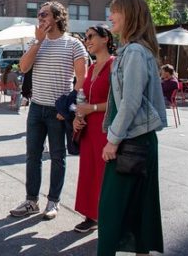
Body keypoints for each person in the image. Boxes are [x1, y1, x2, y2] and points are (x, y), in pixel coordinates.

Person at [98, 0, 167, 256]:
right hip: (139, 139)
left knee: (110, 209)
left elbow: (130, 101)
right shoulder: (133, 50)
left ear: (130, 16)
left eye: (115, 11)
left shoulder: (135, 52)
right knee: (140, 208)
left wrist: (113, 140)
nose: (110, 15)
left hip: (131, 139)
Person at [10, 1, 88, 220]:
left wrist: (70, 107)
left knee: (57, 156)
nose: (40, 18)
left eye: (44, 14)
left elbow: (82, 79)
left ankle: (53, 201)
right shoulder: (38, 43)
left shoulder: (73, 44)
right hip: (36, 108)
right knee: (32, 156)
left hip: (58, 111)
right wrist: (37, 41)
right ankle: (31, 201)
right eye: (39, 15)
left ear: (57, 17)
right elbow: (23, 67)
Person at [72, 25, 116, 233]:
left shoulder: (115, 64)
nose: (87, 40)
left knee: (104, 174)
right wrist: (78, 116)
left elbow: (121, 102)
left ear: (105, 38)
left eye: (91, 36)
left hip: (106, 127)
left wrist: (92, 108)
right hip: (88, 128)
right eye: (85, 37)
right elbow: (83, 98)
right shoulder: (90, 68)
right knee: (88, 171)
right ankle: (91, 215)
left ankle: (107, 216)